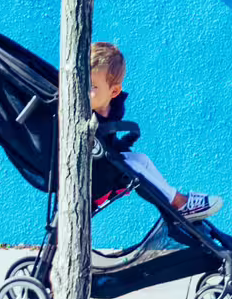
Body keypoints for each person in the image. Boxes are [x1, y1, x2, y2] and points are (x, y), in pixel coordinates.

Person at [89, 41, 221, 221]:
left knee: (141, 159)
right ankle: (180, 204)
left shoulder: (110, 111)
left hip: (101, 169)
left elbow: (106, 144)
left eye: (92, 86)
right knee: (131, 166)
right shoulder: (85, 114)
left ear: (114, 91)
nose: (83, 90)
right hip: (94, 176)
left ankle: (177, 201)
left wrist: (121, 145)